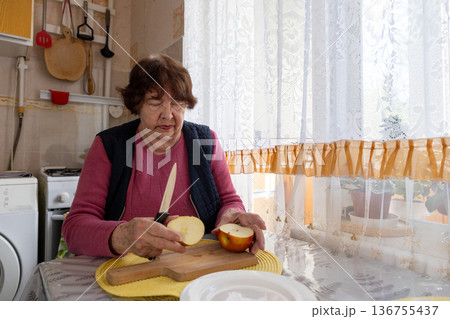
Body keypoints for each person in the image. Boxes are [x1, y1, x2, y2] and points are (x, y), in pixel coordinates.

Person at [62, 54, 266, 259]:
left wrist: (232, 215)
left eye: (177, 103)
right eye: (155, 102)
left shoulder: (206, 141)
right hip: (126, 269)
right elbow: (75, 228)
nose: (168, 114)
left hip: (198, 265)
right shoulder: (109, 146)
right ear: (137, 105)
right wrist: (123, 236)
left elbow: (229, 199)